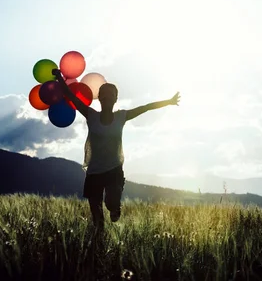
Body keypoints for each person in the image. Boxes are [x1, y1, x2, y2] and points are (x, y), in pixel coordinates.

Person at [52, 68, 180, 229]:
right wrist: (59, 78)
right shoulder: (91, 115)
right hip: (94, 171)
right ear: (99, 99)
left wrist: (168, 101)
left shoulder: (121, 116)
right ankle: (99, 243)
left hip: (114, 169)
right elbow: (71, 96)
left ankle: (115, 207)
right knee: (97, 216)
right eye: (103, 94)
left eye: (111, 94)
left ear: (115, 99)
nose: (107, 97)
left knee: (111, 203)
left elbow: (146, 107)